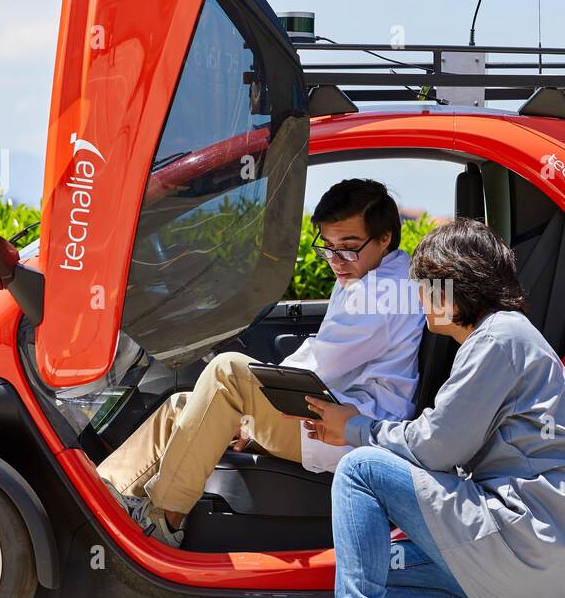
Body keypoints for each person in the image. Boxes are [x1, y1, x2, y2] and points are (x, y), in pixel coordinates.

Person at [269, 218, 565, 598]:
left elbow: (437, 447)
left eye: (425, 285)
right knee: (364, 571)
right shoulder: (505, 338)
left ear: (455, 283)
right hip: (547, 562)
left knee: (359, 469)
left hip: (527, 539)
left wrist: (353, 428)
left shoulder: (497, 339)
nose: (417, 298)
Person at [97, 178, 426, 547]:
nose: (335, 260)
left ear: (384, 238)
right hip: (331, 409)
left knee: (227, 373)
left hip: (348, 431)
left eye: (348, 248)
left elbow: (317, 367)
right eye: (327, 248)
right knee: (182, 406)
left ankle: (163, 519)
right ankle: (101, 500)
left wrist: (249, 411)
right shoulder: (373, 272)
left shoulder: (379, 294)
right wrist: (249, 411)